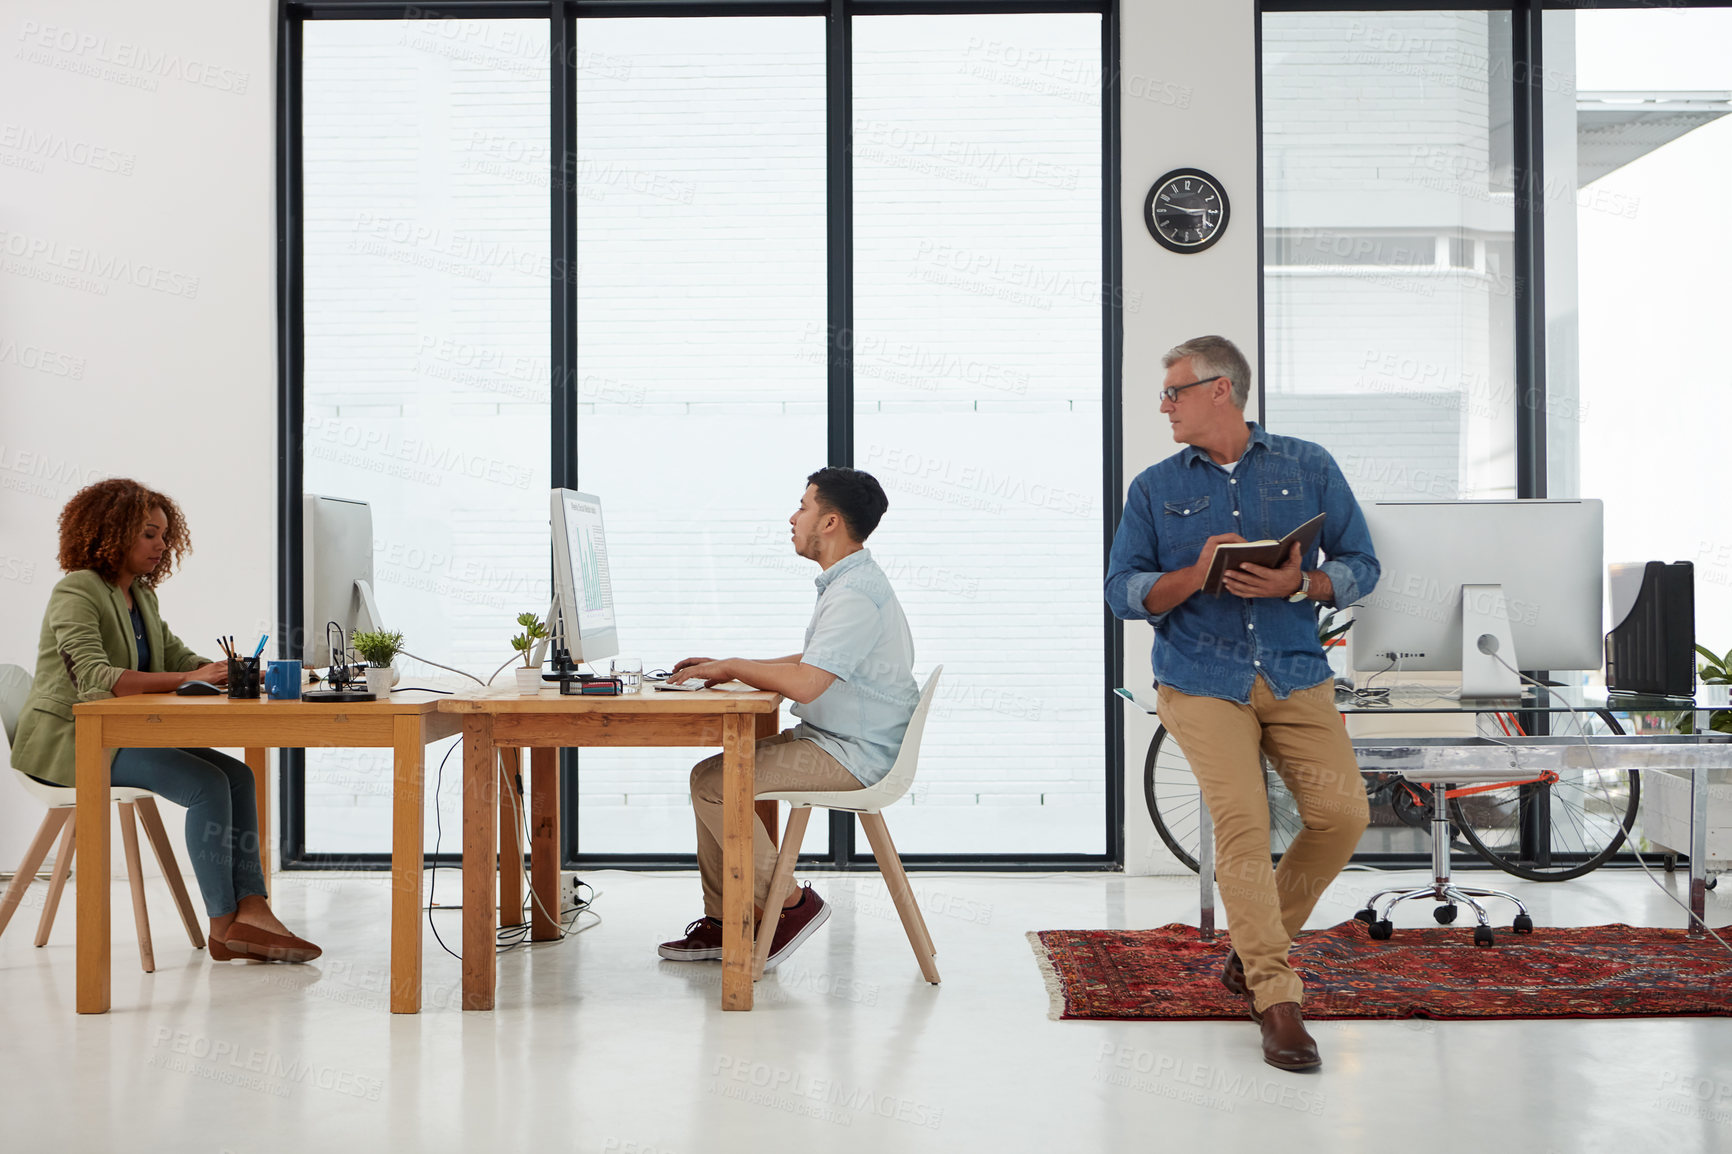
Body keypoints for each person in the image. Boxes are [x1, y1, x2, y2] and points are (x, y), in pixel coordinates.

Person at [1105, 335, 1378, 1072]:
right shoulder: (1154, 488)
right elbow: (1122, 592)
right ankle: (1276, 998)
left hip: (1294, 671)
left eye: (1175, 391)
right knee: (1243, 821)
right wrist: (1195, 574)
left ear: (1221, 389)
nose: (1164, 404)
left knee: (1343, 814)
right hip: (1199, 678)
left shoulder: (1309, 465)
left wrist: (1303, 585)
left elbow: (1362, 563)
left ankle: (1254, 945)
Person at [11, 478, 321, 964]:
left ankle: (252, 908)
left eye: (163, 535)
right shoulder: (77, 591)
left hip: (118, 733)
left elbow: (177, 658)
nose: (162, 545)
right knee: (205, 784)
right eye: (149, 534)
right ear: (110, 533)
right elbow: (98, 678)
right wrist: (191, 676)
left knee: (238, 775)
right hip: (74, 741)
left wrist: (236, 673)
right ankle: (223, 926)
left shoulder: (142, 595)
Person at [658, 467, 919, 972]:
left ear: (830, 522)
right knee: (708, 777)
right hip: (836, 739)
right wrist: (726, 665)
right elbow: (814, 661)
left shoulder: (855, 593)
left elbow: (806, 684)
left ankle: (791, 906)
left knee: (716, 782)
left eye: (803, 506)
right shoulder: (850, 582)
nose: (792, 517)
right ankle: (728, 921)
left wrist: (734, 667)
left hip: (854, 754)